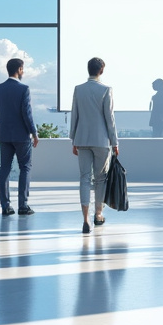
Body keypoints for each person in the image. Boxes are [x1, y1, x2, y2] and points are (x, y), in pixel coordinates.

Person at [69, 57, 119, 234]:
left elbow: (74, 115)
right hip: (101, 140)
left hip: (82, 139)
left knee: (84, 178)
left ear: (88, 69)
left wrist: (73, 139)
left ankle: (85, 219)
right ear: (102, 70)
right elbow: (109, 118)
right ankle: (98, 214)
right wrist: (115, 142)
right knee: (100, 179)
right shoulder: (106, 90)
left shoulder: (78, 89)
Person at [0, 57, 39, 216]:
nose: (23, 72)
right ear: (19, 69)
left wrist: (5, 123)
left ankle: (5, 206)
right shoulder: (24, 89)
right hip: (21, 136)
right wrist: (34, 132)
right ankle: (23, 205)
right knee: (25, 167)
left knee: (4, 168)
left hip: (4, 134)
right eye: (22, 69)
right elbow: (27, 114)